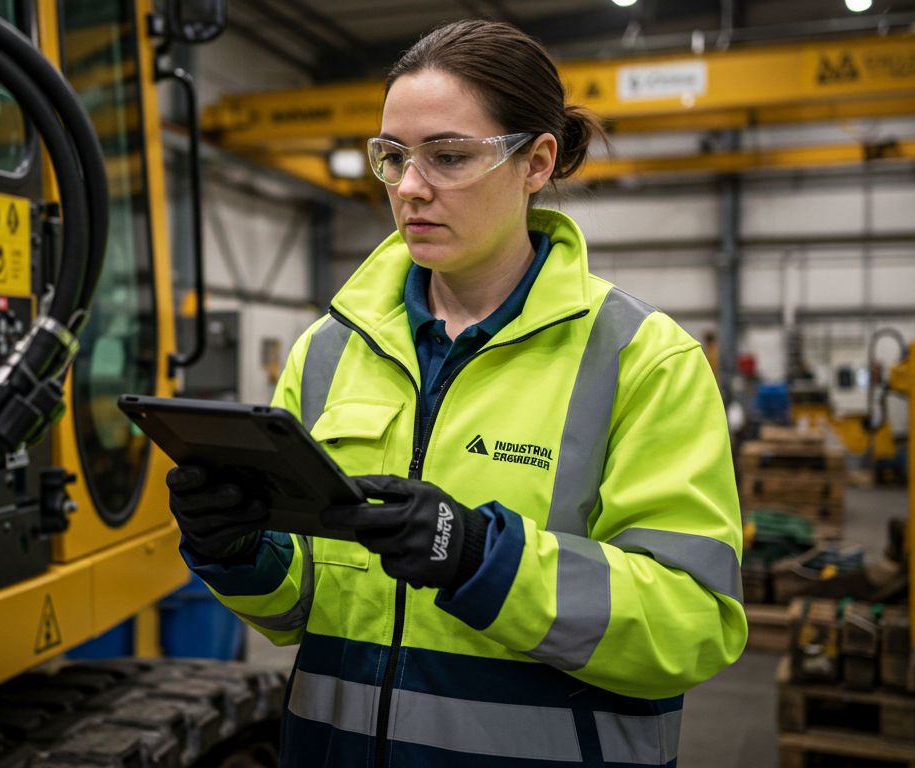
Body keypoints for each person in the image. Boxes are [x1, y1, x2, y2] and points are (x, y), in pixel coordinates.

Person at [167, 19, 745, 767]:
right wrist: (240, 550)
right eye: (393, 157)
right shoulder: (327, 352)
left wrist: (481, 559)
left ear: (535, 163)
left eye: (447, 156)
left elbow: (692, 623)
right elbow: (301, 608)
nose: (410, 187)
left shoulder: (642, 360)